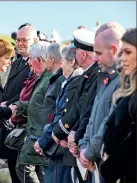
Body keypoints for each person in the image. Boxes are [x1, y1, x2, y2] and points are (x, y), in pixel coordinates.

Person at [10, 42, 64, 183]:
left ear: (39, 60)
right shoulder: (44, 77)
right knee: (32, 170)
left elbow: (51, 108)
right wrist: (18, 105)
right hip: (36, 131)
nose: (29, 64)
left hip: (40, 133)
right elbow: (37, 104)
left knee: (24, 168)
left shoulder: (51, 78)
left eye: (30, 60)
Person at [78, 27, 125, 183]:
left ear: (113, 50)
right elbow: (92, 119)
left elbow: (109, 123)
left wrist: (89, 152)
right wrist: (83, 146)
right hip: (96, 161)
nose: (95, 59)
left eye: (98, 53)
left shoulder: (123, 82)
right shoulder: (106, 78)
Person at [51, 29, 99, 183]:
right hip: (79, 144)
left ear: (83, 54)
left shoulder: (96, 75)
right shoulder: (88, 74)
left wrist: (71, 133)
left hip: (87, 147)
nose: (75, 56)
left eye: (76, 51)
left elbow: (86, 110)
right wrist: (65, 131)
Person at [1, 25, 38, 183]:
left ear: (34, 41)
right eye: (18, 40)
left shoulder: (35, 63)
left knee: (22, 171)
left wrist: (8, 104)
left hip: (22, 122)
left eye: (24, 40)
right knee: (12, 166)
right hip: (9, 122)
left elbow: (27, 91)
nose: (20, 43)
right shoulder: (17, 62)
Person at [100, 28, 137, 183]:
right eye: (121, 53)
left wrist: (112, 166)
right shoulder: (129, 91)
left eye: (128, 52)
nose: (122, 58)